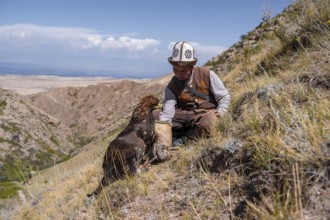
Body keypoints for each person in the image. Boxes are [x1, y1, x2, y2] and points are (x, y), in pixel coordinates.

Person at [153, 41, 230, 161]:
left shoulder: (207, 74)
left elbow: (224, 96)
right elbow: (168, 111)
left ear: (191, 67)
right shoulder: (171, 86)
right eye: (176, 69)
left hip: (203, 114)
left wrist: (221, 112)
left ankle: (184, 140)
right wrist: (163, 132)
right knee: (154, 115)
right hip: (183, 115)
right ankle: (167, 142)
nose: (179, 74)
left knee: (210, 121)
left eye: (183, 71)